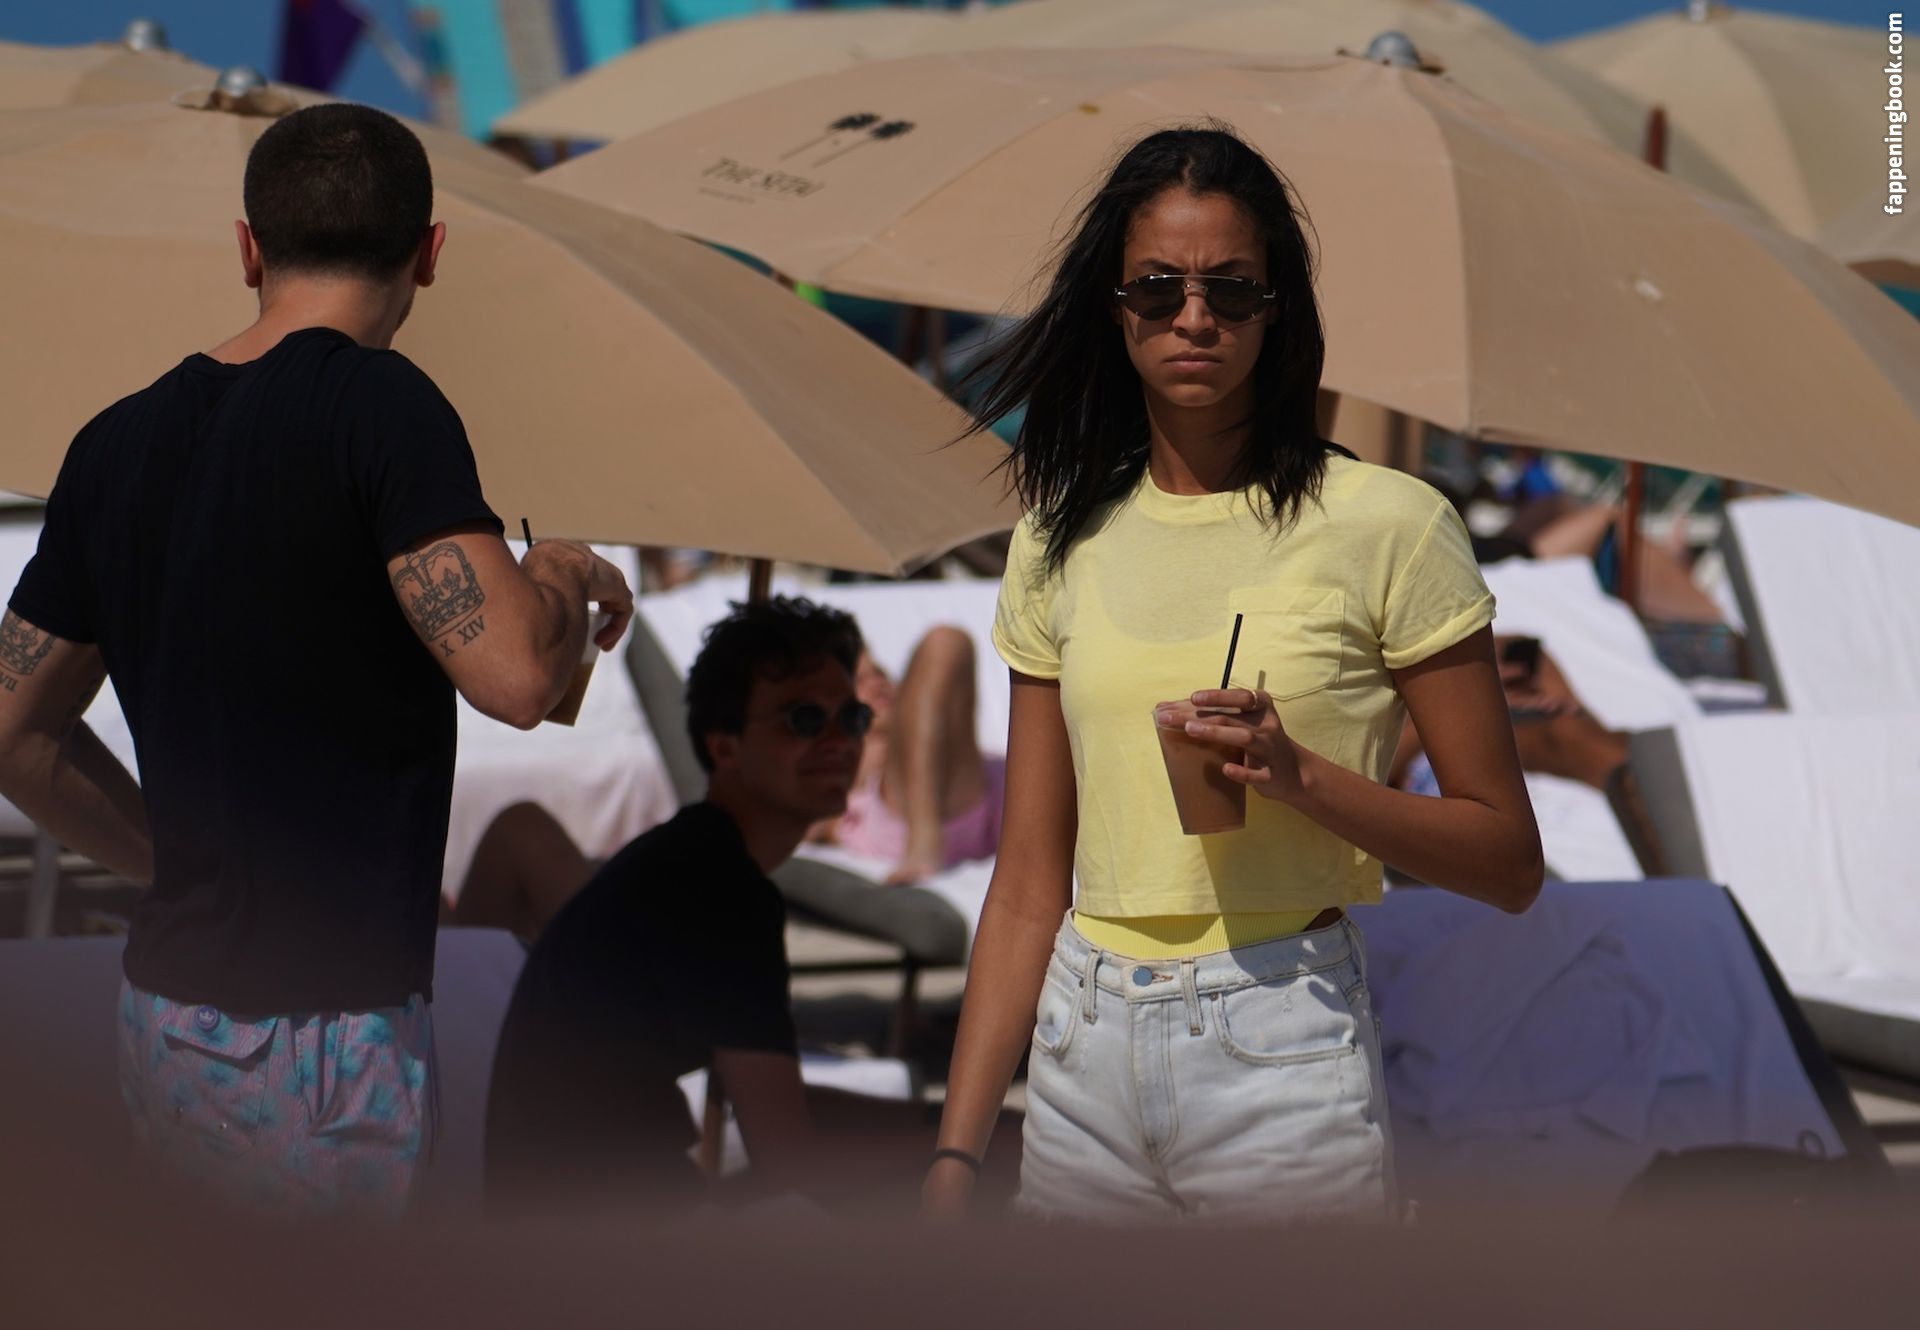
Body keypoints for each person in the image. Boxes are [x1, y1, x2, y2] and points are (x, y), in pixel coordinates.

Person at [0, 104, 631, 1215]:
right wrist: (562, 574)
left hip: (165, 1006)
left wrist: (170, 860)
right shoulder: (381, 407)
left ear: (248, 248)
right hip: (322, 1032)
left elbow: (14, 731)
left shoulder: (114, 443)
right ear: (428, 253)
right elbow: (517, 678)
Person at [923, 125, 1543, 1224]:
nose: (1195, 317)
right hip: (1078, 1043)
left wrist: (1301, 779)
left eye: (1232, 289)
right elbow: (1025, 884)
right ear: (1115, 308)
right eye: (1158, 288)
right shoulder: (1056, 539)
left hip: (1280, 1039)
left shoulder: (1390, 524)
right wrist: (954, 1160)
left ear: (1276, 309)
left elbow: (1508, 861)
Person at [485, 597, 1009, 1214]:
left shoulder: (694, 857)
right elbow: (791, 1156)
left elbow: (783, 1108)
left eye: (853, 718)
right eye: (804, 720)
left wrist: (946, 1127)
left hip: (575, 1198)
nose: (838, 741)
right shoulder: (723, 890)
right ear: (725, 746)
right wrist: (974, 1150)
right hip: (592, 1229)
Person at [812, 630, 1006, 884]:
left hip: (993, 795)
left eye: (880, 673)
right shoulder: (851, 769)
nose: (877, 683)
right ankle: (924, 834)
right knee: (945, 643)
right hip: (924, 814)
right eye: (858, 682)